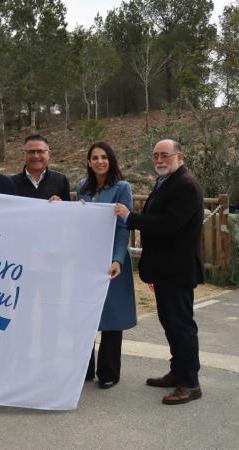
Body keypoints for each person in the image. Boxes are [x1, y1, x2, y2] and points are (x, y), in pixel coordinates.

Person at [115, 139, 205, 405]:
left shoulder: (185, 185)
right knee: (171, 324)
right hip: (166, 269)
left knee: (181, 326)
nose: (159, 160)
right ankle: (178, 372)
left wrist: (129, 217)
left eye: (164, 155)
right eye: (155, 155)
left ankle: (190, 383)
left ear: (180, 156)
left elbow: (169, 224)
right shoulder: (167, 181)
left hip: (178, 270)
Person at [76, 142, 136, 389]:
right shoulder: (82, 187)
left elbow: (123, 228)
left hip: (112, 261)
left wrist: (117, 259)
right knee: (85, 315)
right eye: (95, 158)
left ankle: (109, 372)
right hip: (87, 260)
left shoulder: (122, 188)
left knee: (112, 316)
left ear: (111, 160)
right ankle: (84, 369)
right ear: (89, 162)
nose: (99, 161)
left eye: (104, 157)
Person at [11, 134, 71, 201]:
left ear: (49, 154)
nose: (36, 156)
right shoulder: (11, 183)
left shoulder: (61, 180)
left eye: (40, 151)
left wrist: (61, 203)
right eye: (31, 152)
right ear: (23, 155)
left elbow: (68, 206)